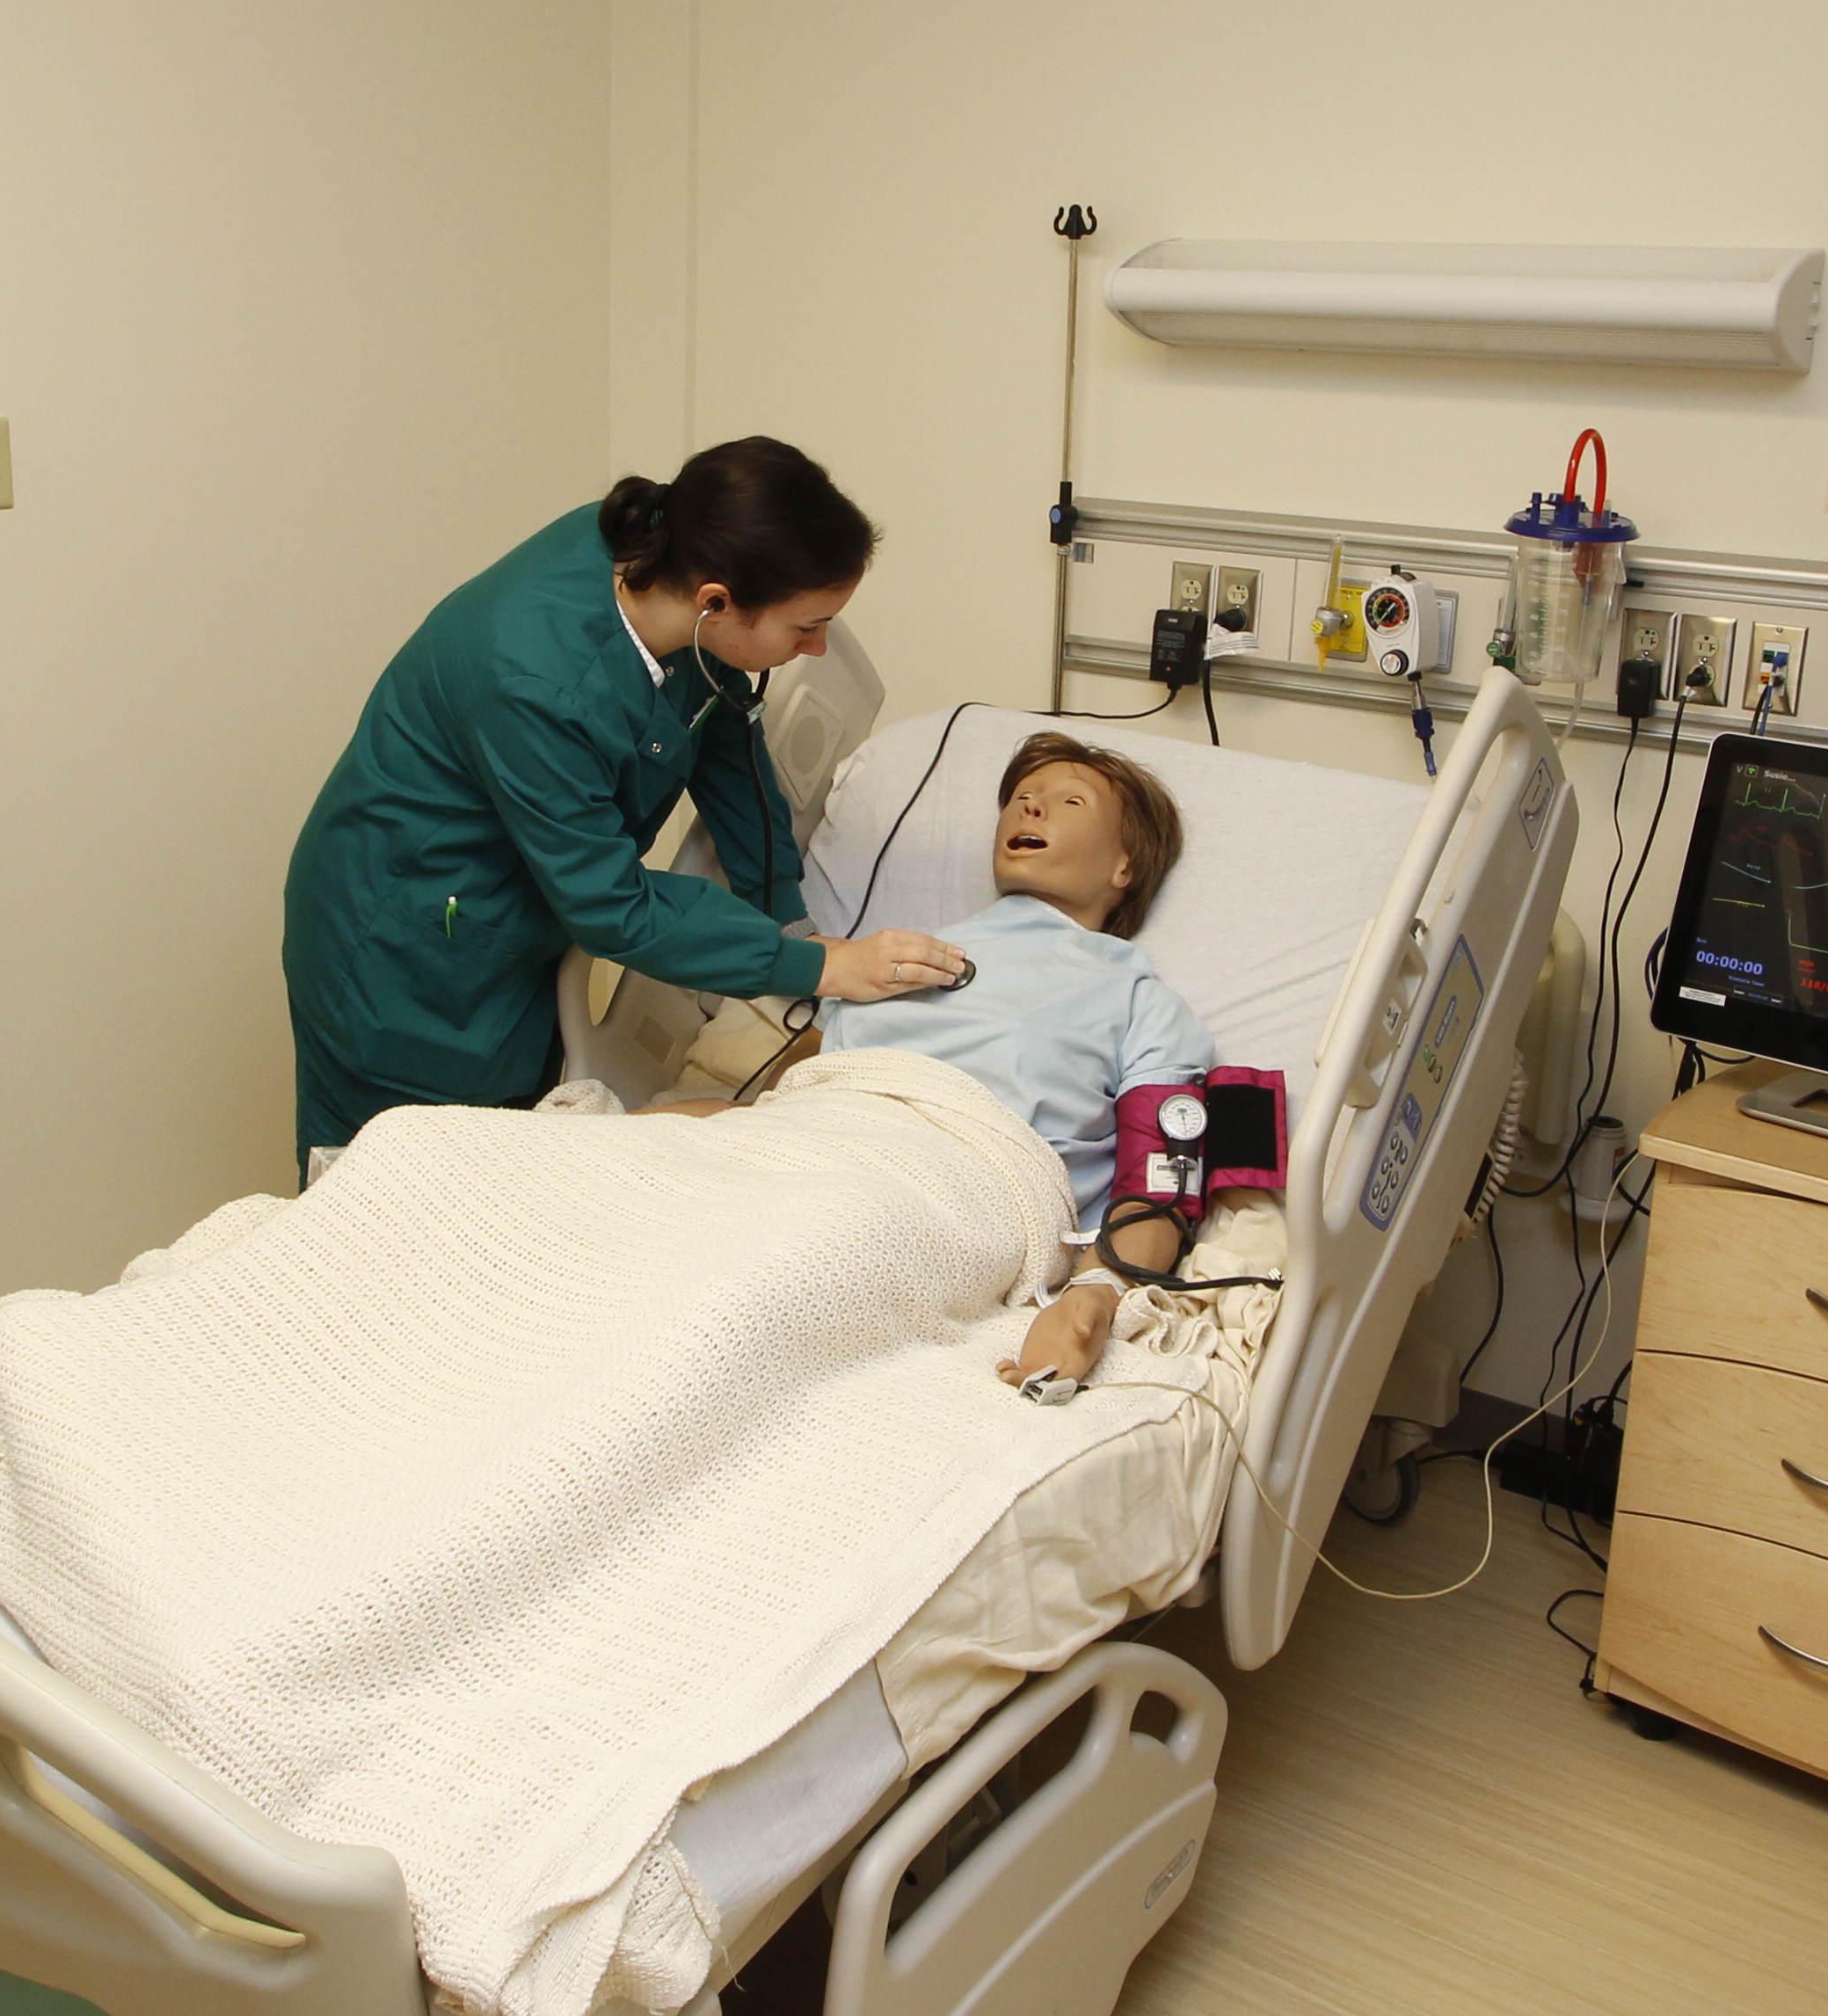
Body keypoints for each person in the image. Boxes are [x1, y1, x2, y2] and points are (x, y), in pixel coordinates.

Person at [284, 438, 968, 1156]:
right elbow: (614, 906)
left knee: (510, 1163)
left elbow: (723, 730)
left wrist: (790, 922)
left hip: (512, 923)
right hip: (406, 949)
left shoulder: (662, 560)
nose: (820, 650)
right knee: (393, 1191)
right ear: (716, 601)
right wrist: (822, 967)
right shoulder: (533, 681)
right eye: (806, 626)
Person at [806, 733, 1225, 1389]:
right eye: (1023, 798)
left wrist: (1094, 1295)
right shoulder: (898, 956)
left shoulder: (1134, 997)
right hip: (811, 1148)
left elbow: (1160, 1180)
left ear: (1125, 865)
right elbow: (797, 1091)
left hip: (947, 1195)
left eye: (1068, 801)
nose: (1030, 809)